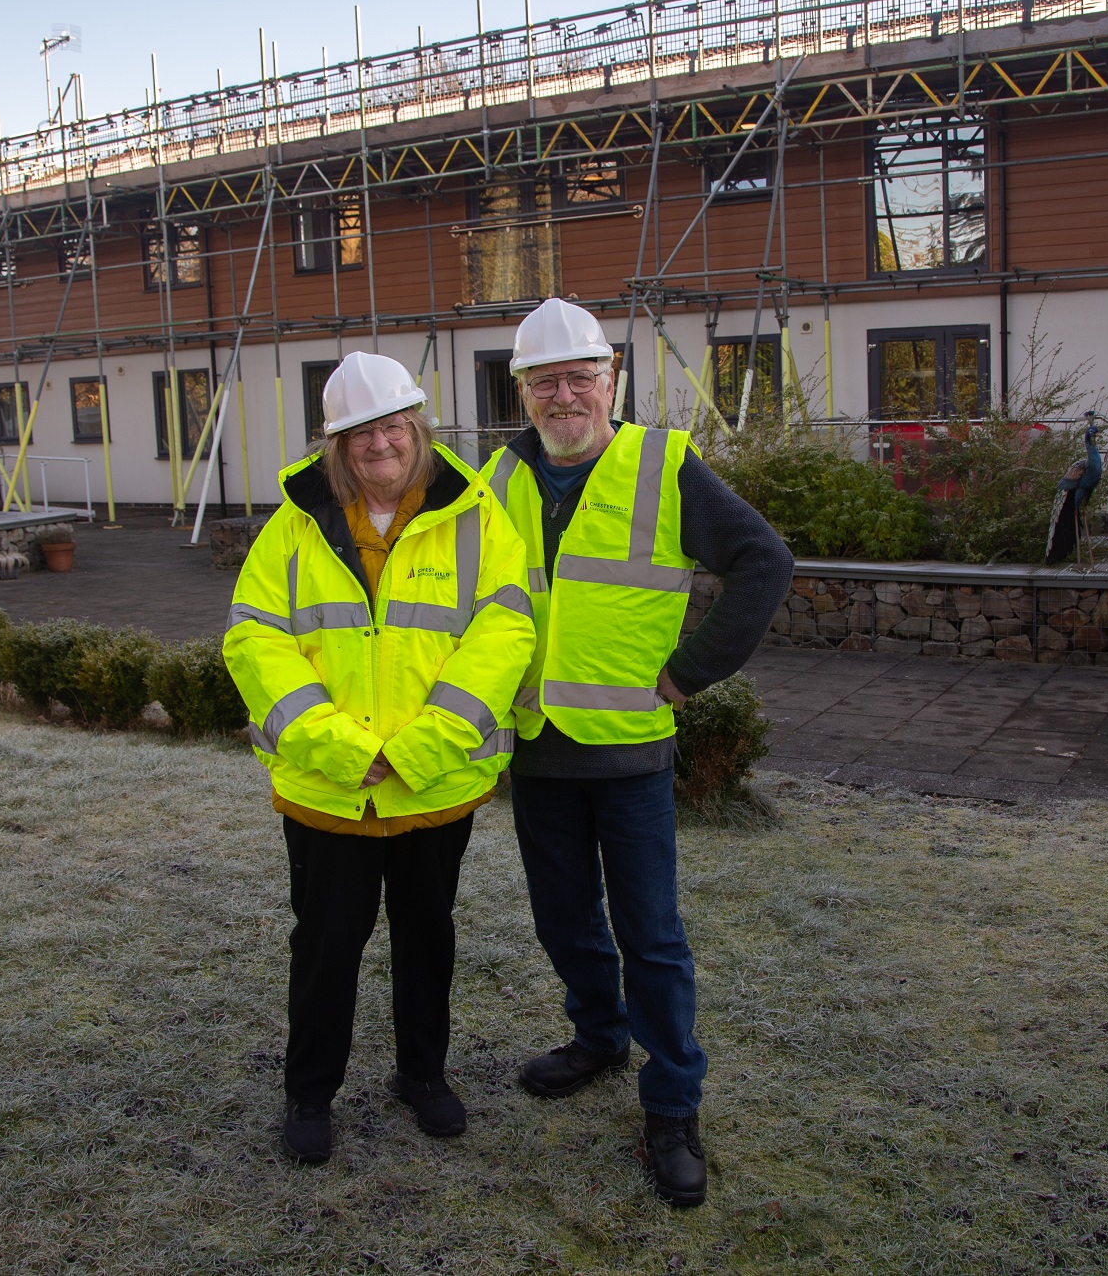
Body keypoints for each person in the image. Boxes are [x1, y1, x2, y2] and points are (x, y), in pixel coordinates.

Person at [479, 298, 793, 1207]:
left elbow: (763, 561)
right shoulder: (497, 480)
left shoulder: (663, 465)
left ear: (610, 381)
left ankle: (672, 1103)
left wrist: (690, 672)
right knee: (563, 919)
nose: (564, 394)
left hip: (631, 753)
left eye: (581, 377)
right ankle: (599, 1036)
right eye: (546, 381)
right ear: (524, 391)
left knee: (652, 935)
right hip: (538, 746)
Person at [224, 351, 534, 1165]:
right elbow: (254, 637)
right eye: (360, 432)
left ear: (417, 429)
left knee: (428, 938)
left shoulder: (477, 516)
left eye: (392, 426)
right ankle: (309, 1092)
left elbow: (505, 633)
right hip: (330, 788)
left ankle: (422, 1076)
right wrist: (340, 746)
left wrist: (422, 746)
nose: (379, 444)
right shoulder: (294, 524)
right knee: (326, 945)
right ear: (337, 444)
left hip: (432, 783)